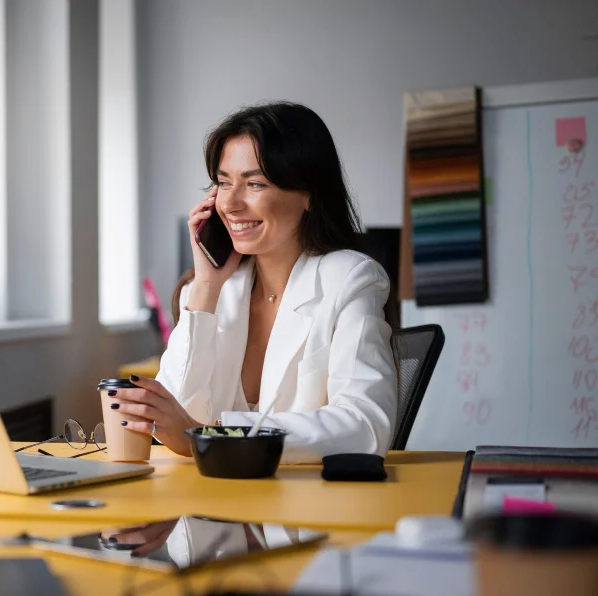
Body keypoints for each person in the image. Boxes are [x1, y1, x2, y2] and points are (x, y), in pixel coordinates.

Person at [107, 102, 397, 463]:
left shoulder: (348, 279)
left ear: (309, 194)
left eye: (255, 183)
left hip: (300, 510)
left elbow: (367, 425)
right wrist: (206, 287)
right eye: (223, 182)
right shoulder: (207, 293)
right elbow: (172, 422)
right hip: (211, 509)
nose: (229, 203)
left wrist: (215, 434)